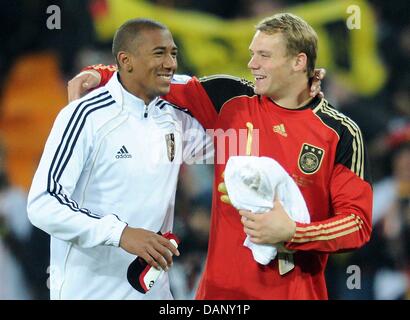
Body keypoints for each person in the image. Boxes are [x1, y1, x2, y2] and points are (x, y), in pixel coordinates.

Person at [68, 13, 372, 299]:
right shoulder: (231, 99)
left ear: (298, 62)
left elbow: (357, 224)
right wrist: (100, 75)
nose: (252, 64)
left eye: (264, 56)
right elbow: (161, 81)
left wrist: (293, 232)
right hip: (219, 296)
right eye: (252, 53)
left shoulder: (339, 133)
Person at [27, 18, 212, 300]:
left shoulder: (174, 118)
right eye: (159, 53)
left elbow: (230, 144)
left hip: (154, 293)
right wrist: (120, 233)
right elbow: (43, 203)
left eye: (173, 53)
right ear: (126, 60)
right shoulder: (85, 116)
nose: (170, 63)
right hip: (90, 293)